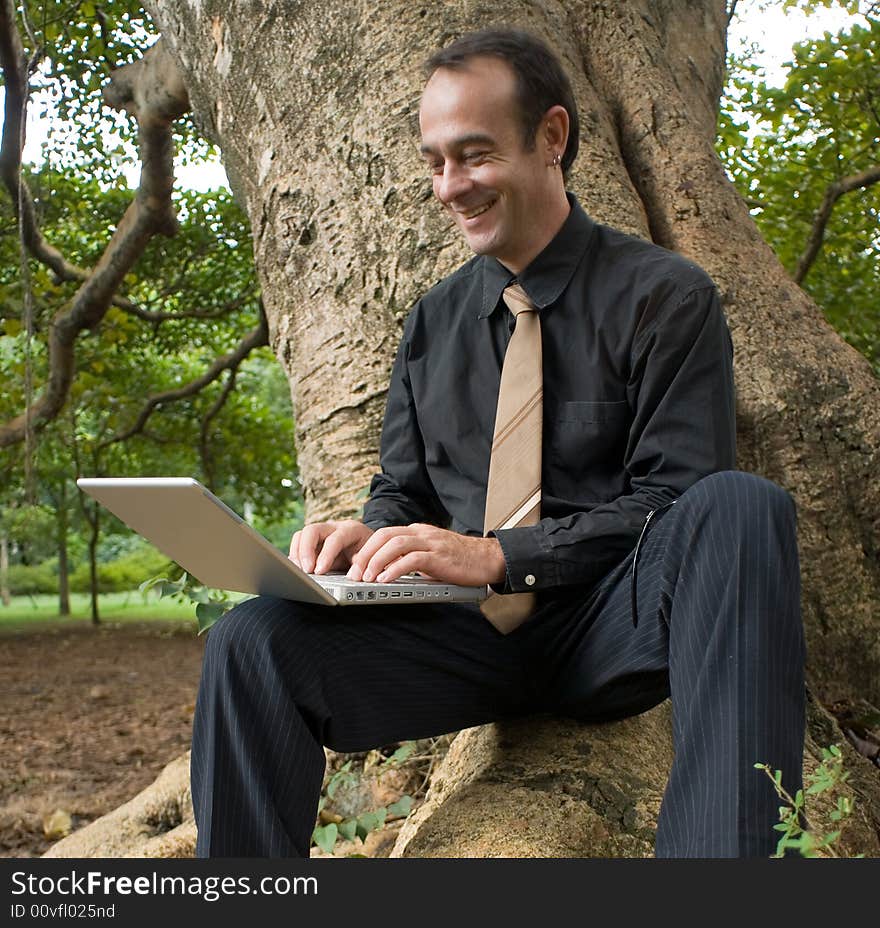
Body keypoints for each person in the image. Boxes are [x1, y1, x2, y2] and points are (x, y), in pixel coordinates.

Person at [190, 28, 806, 858]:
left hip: (611, 627)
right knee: (251, 638)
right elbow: (404, 489)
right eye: (436, 161)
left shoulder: (667, 296)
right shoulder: (432, 322)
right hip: (464, 643)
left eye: (473, 156)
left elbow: (673, 501)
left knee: (740, 507)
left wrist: (496, 555)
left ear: (551, 138)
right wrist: (368, 540)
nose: (450, 186)